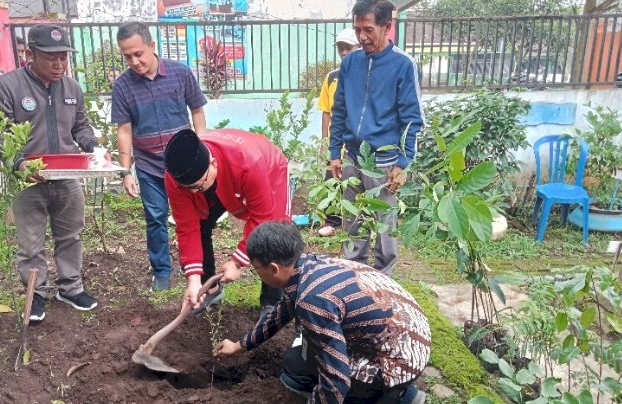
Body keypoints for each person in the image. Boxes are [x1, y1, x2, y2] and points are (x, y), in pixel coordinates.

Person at [215, 221, 430, 403]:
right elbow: (283, 310)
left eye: (256, 269)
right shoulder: (309, 265)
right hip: (405, 333)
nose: (257, 274)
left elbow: (336, 379)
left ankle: (399, 396)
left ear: (273, 268)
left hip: (400, 360)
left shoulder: (313, 300)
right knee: (294, 364)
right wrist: (240, 346)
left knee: (314, 378)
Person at [0, 24, 103, 321]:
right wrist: (19, 163)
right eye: (51, 57)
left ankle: (71, 287)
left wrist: (94, 147)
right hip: (27, 180)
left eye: (63, 57)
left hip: (66, 176)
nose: (59, 64)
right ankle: (35, 293)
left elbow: (80, 126)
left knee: (71, 235)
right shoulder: (6, 87)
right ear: (29, 53)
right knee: (31, 242)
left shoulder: (72, 88)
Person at [329, 0, 424, 275]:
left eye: (368, 29)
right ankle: (354, 283)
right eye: (358, 29)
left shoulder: (403, 65)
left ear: (386, 26)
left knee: (385, 230)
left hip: (385, 162)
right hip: (353, 158)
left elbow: (412, 118)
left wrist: (403, 163)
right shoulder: (351, 63)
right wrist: (335, 152)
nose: (362, 37)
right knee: (353, 225)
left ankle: (385, 287)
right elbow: (340, 108)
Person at [112, 21, 207, 291]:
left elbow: (197, 111)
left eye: (138, 53)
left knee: (195, 216)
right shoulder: (122, 86)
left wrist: (203, 149)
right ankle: (162, 273)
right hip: (149, 167)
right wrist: (125, 170)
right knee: (155, 218)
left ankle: (198, 266)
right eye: (127, 56)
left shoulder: (180, 73)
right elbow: (124, 129)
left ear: (152, 46)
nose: (134, 61)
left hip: (184, 165)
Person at [163, 129, 290, 317]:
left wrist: (238, 262)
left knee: (275, 232)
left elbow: (262, 218)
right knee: (200, 225)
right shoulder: (177, 178)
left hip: (267, 169)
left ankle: (273, 303)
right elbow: (187, 227)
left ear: (213, 164)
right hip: (217, 178)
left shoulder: (249, 163)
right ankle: (210, 289)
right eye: (186, 189)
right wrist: (193, 279)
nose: (192, 194)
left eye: (196, 187)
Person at [315, 28, 360, 238]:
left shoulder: (365, 75)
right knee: (332, 179)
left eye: (347, 48)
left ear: (358, 47)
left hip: (359, 141)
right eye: (341, 48)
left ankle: (359, 221)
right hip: (337, 141)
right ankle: (332, 222)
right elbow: (327, 111)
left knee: (358, 181)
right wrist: (325, 140)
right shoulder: (332, 77)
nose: (343, 52)